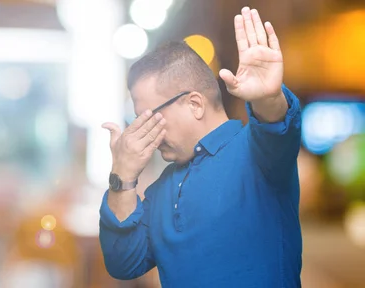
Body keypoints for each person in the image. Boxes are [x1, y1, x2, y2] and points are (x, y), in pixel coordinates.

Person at [100, 7, 302, 287]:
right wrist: (121, 176)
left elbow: (276, 126)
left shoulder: (256, 153)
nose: (144, 131)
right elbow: (124, 263)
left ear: (194, 104)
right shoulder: (161, 190)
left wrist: (268, 97)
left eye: (148, 116)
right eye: (138, 119)